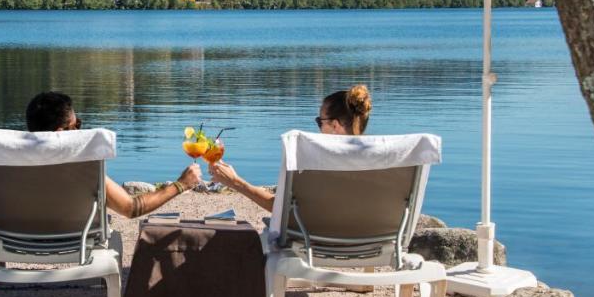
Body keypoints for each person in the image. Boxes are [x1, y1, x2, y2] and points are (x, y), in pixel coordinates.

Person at [25, 91, 202, 218]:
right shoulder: (83, 168)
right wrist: (181, 184)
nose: (80, 129)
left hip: (15, 242)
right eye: (76, 125)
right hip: (74, 242)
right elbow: (131, 208)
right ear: (60, 133)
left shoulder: (7, 162)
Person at [209, 84, 373, 213]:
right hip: (378, 246)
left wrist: (235, 182)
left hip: (318, 247)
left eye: (320, 121)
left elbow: (281, 209)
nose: (318, 127)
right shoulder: (383, 158)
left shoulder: (316, 159)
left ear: (335, 125)